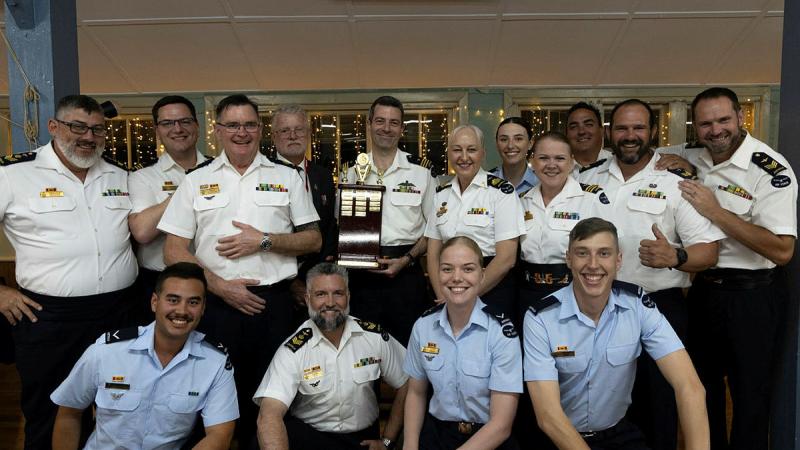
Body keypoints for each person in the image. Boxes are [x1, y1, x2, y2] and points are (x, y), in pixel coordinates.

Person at [158, 94, 321, 441]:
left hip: (274, 306)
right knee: (209, 399)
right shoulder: (196, 180)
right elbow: (172, 250)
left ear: (260, 129)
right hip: (215, 306)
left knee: (270, 402)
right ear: (217, 131)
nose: (241, 132)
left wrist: (265, 240)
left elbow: (313, 241)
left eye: (249, 124)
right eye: (232, 125)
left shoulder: (286, 176)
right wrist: (219, 285)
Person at [578, 99, 723, 450]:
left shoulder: (675, 182)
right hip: (598, 308)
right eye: (623, 128)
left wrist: (676, 256)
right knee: (603, 401)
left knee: (659, 404)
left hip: (658, 306)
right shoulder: (584, 179)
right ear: (610, 132)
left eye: (638, 128)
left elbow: (709, 252)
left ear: (653, 131)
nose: (630, 136)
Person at [0, 94, 138, 449]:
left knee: (119, 407)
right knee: (50, 410)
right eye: (77, 127)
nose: (87, 137)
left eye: (96, 129)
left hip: (118, 313)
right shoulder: (14, 174)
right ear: (54, 127)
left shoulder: (119, 175)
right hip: (49, 318)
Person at [523, 217, 709, 449]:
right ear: (568, 259)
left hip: (618, 436)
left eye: (604, 253)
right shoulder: (540, 318)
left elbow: (690, 387)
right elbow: (548, 417)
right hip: (559, 438)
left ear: (618, 260)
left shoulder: (638, 305)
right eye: (582, 253)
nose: (593, 264)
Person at [678, 87, 797, 450]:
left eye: (723, 120)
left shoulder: (768, 168)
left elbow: (782, 250)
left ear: (740, 117)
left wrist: (716, 211)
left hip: (754, 296)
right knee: (702, 391)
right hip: (705, 292)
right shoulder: (693, 157)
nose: (715, 130)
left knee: (750, 398)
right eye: (705, 124)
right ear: (695, 127)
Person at [50, 262, 238, 449]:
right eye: (173, 300)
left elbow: (220, 436)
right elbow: (69, 413)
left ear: (203, 308)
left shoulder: (216, 362)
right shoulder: (107, 351)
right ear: (154, 302)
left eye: (193, 302)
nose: (182, 311)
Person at [254, 262, 407, 450]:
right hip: (312, 438)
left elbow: (408, 381)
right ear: (307, 299)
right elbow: (269, 414)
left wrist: (387, 440)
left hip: (361, 440)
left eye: (338, 293)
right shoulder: (292, 350)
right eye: (321, 294)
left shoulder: (373, 337)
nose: (330, 302)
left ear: (348, 297)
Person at [404, 236, 522, 450]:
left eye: (468, 269)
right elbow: (416, 392)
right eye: (447, 269)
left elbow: (501, 425)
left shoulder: (501, 333)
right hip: (436, 435)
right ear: (436, 273)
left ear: (482, 274)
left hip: (488, 438)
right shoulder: (423, 326)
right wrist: (410, 445)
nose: (456, 278)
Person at [342, 95, 435, 344]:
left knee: (410, 352)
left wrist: (406, 260)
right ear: (370, 123)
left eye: (394, 123)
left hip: (406, 274)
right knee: (363, 353)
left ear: (402, 128)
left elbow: (434, 230)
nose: (386, 128)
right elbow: (342, 226)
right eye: (380, 121)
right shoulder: (351, 171)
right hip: (362, 278)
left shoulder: (422, 172)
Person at [425, 124, 525, 318]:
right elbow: (433, 254)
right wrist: (443, 296)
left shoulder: (501, 192)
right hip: (449, 290)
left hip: (491, 289)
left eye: (471, 150)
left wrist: (466, 296)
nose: (464, 157)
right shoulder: (441, 194)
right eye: (457, 150)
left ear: (482, 154)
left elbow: (506, 259)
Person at [128, 95, 212, 324]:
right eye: (167, 123)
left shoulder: (218, 170)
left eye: (185, 121)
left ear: (196, 125)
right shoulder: (143, 176)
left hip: (211, 280)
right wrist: (189, 187)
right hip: (159, 282)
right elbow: (143, 232)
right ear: (157, 129)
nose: (178, 129)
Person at [518, 131, 611, 324]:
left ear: (571, 163)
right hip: (527, 294)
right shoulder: (521, 201)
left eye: (559, 158)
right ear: (533, 162)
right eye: (543, 158)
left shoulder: (591, 198)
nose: (551, 165)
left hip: (574, 292)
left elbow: (607, 251)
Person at [270, 104, 338, 315]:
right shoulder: (262, 176)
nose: (293, 135)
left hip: (318, 283)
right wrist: (291, 282)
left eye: (299, 129)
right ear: (273, 136)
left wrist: (316, 278)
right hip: (276, 283)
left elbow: (329, 227)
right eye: (285, 130)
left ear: (308, 134)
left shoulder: (323, 176)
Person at [490, 117, 539, 194]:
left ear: (530, 144)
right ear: (497, 144)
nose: (510, 146)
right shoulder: (485, 182)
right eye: (504, 139)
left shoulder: (541, 182)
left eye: (518, 139)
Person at [565, 102, 613, 177]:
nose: (581, 131)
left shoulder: (618, 164)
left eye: (588, 125)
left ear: (602, 131)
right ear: (567, 134)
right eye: (574, 127)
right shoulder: (556, 168)